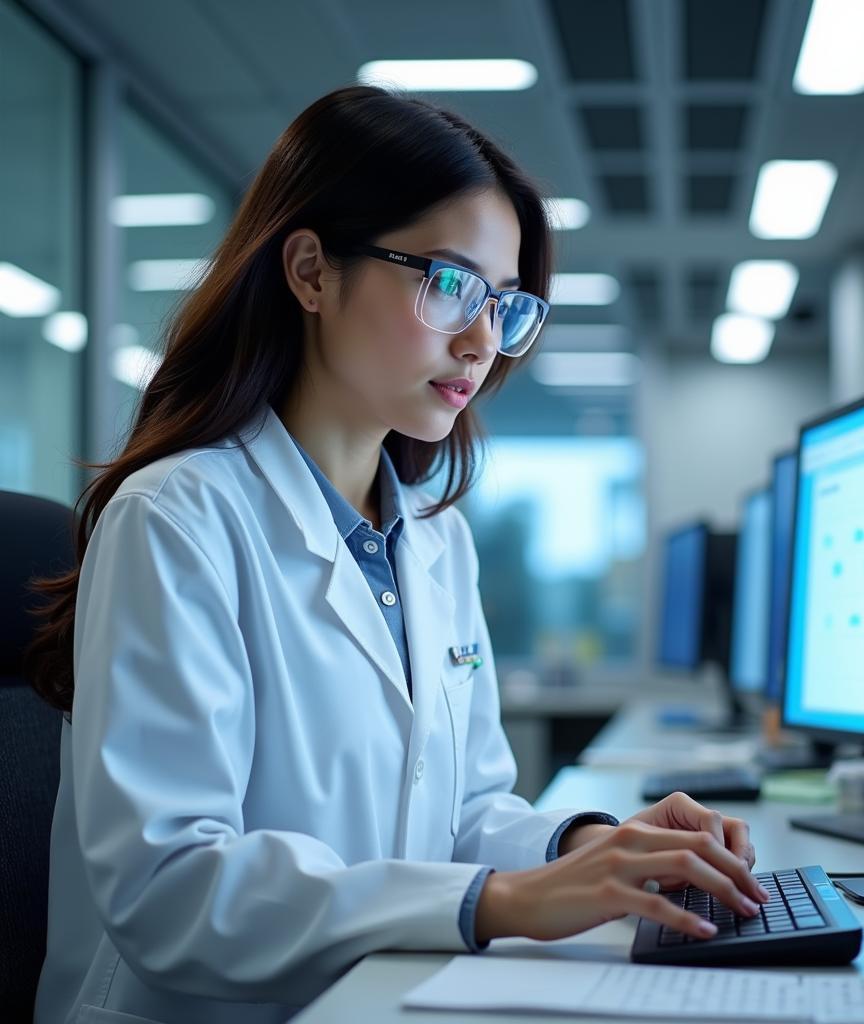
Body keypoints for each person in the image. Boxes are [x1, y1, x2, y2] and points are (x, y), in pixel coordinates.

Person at [26, 85, 768, 1024]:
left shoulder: (432, 536)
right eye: (450, 283)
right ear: (311, 273)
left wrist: (592, 841)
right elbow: (170, 886)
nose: (481, 339)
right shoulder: (178, 518)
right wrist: (496, 903)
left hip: (378, 998)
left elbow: (466, 813)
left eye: (504, 304)